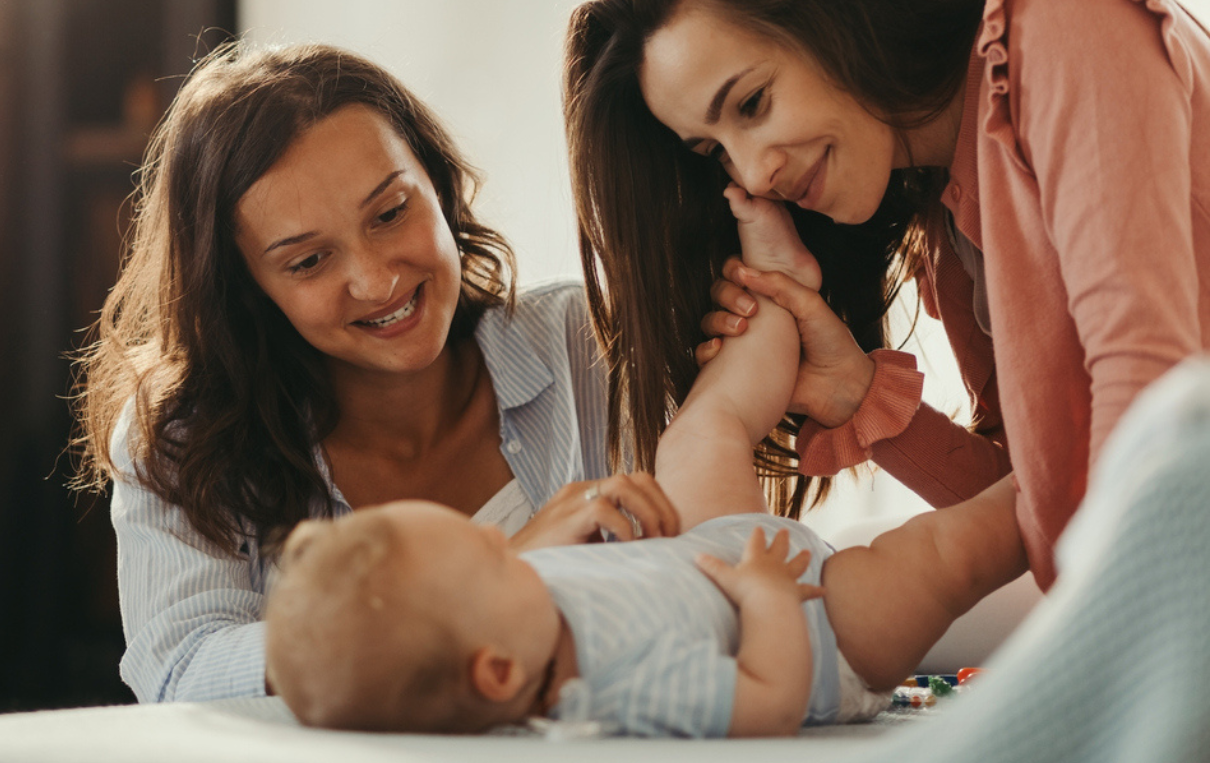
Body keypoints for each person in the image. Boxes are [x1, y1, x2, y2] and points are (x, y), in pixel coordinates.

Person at [563, 0, 1210, 589]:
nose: (753, 173)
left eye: (752, 103)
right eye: (713, 153)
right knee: (847, 593)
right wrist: (857, 393)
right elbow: (1042, 514)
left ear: (833, 13)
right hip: (1167, 584)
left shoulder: (1059, 16)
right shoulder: (948, 227)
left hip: (1168, 582)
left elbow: (1151, 397)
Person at [265, 189, 1027, 736]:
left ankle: (779, 289)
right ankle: (1066, 483)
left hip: (707, 550)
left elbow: (571, 573)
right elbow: (767, 703)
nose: (515, 551)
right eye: (496, 563)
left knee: (702, 434)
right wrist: (765, 600)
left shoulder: (509, 613)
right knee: (943, 554)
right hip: (817, 624)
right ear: (498, 672)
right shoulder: (615, 688)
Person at [74, 42, 679, 703]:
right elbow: (182, 674)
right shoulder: (184, 438)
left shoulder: (586, 342)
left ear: (438, 185)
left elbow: (715, 578)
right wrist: (502, 573)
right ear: (248, 288)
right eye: (307, 261)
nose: (377, 280)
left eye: (391, 214)